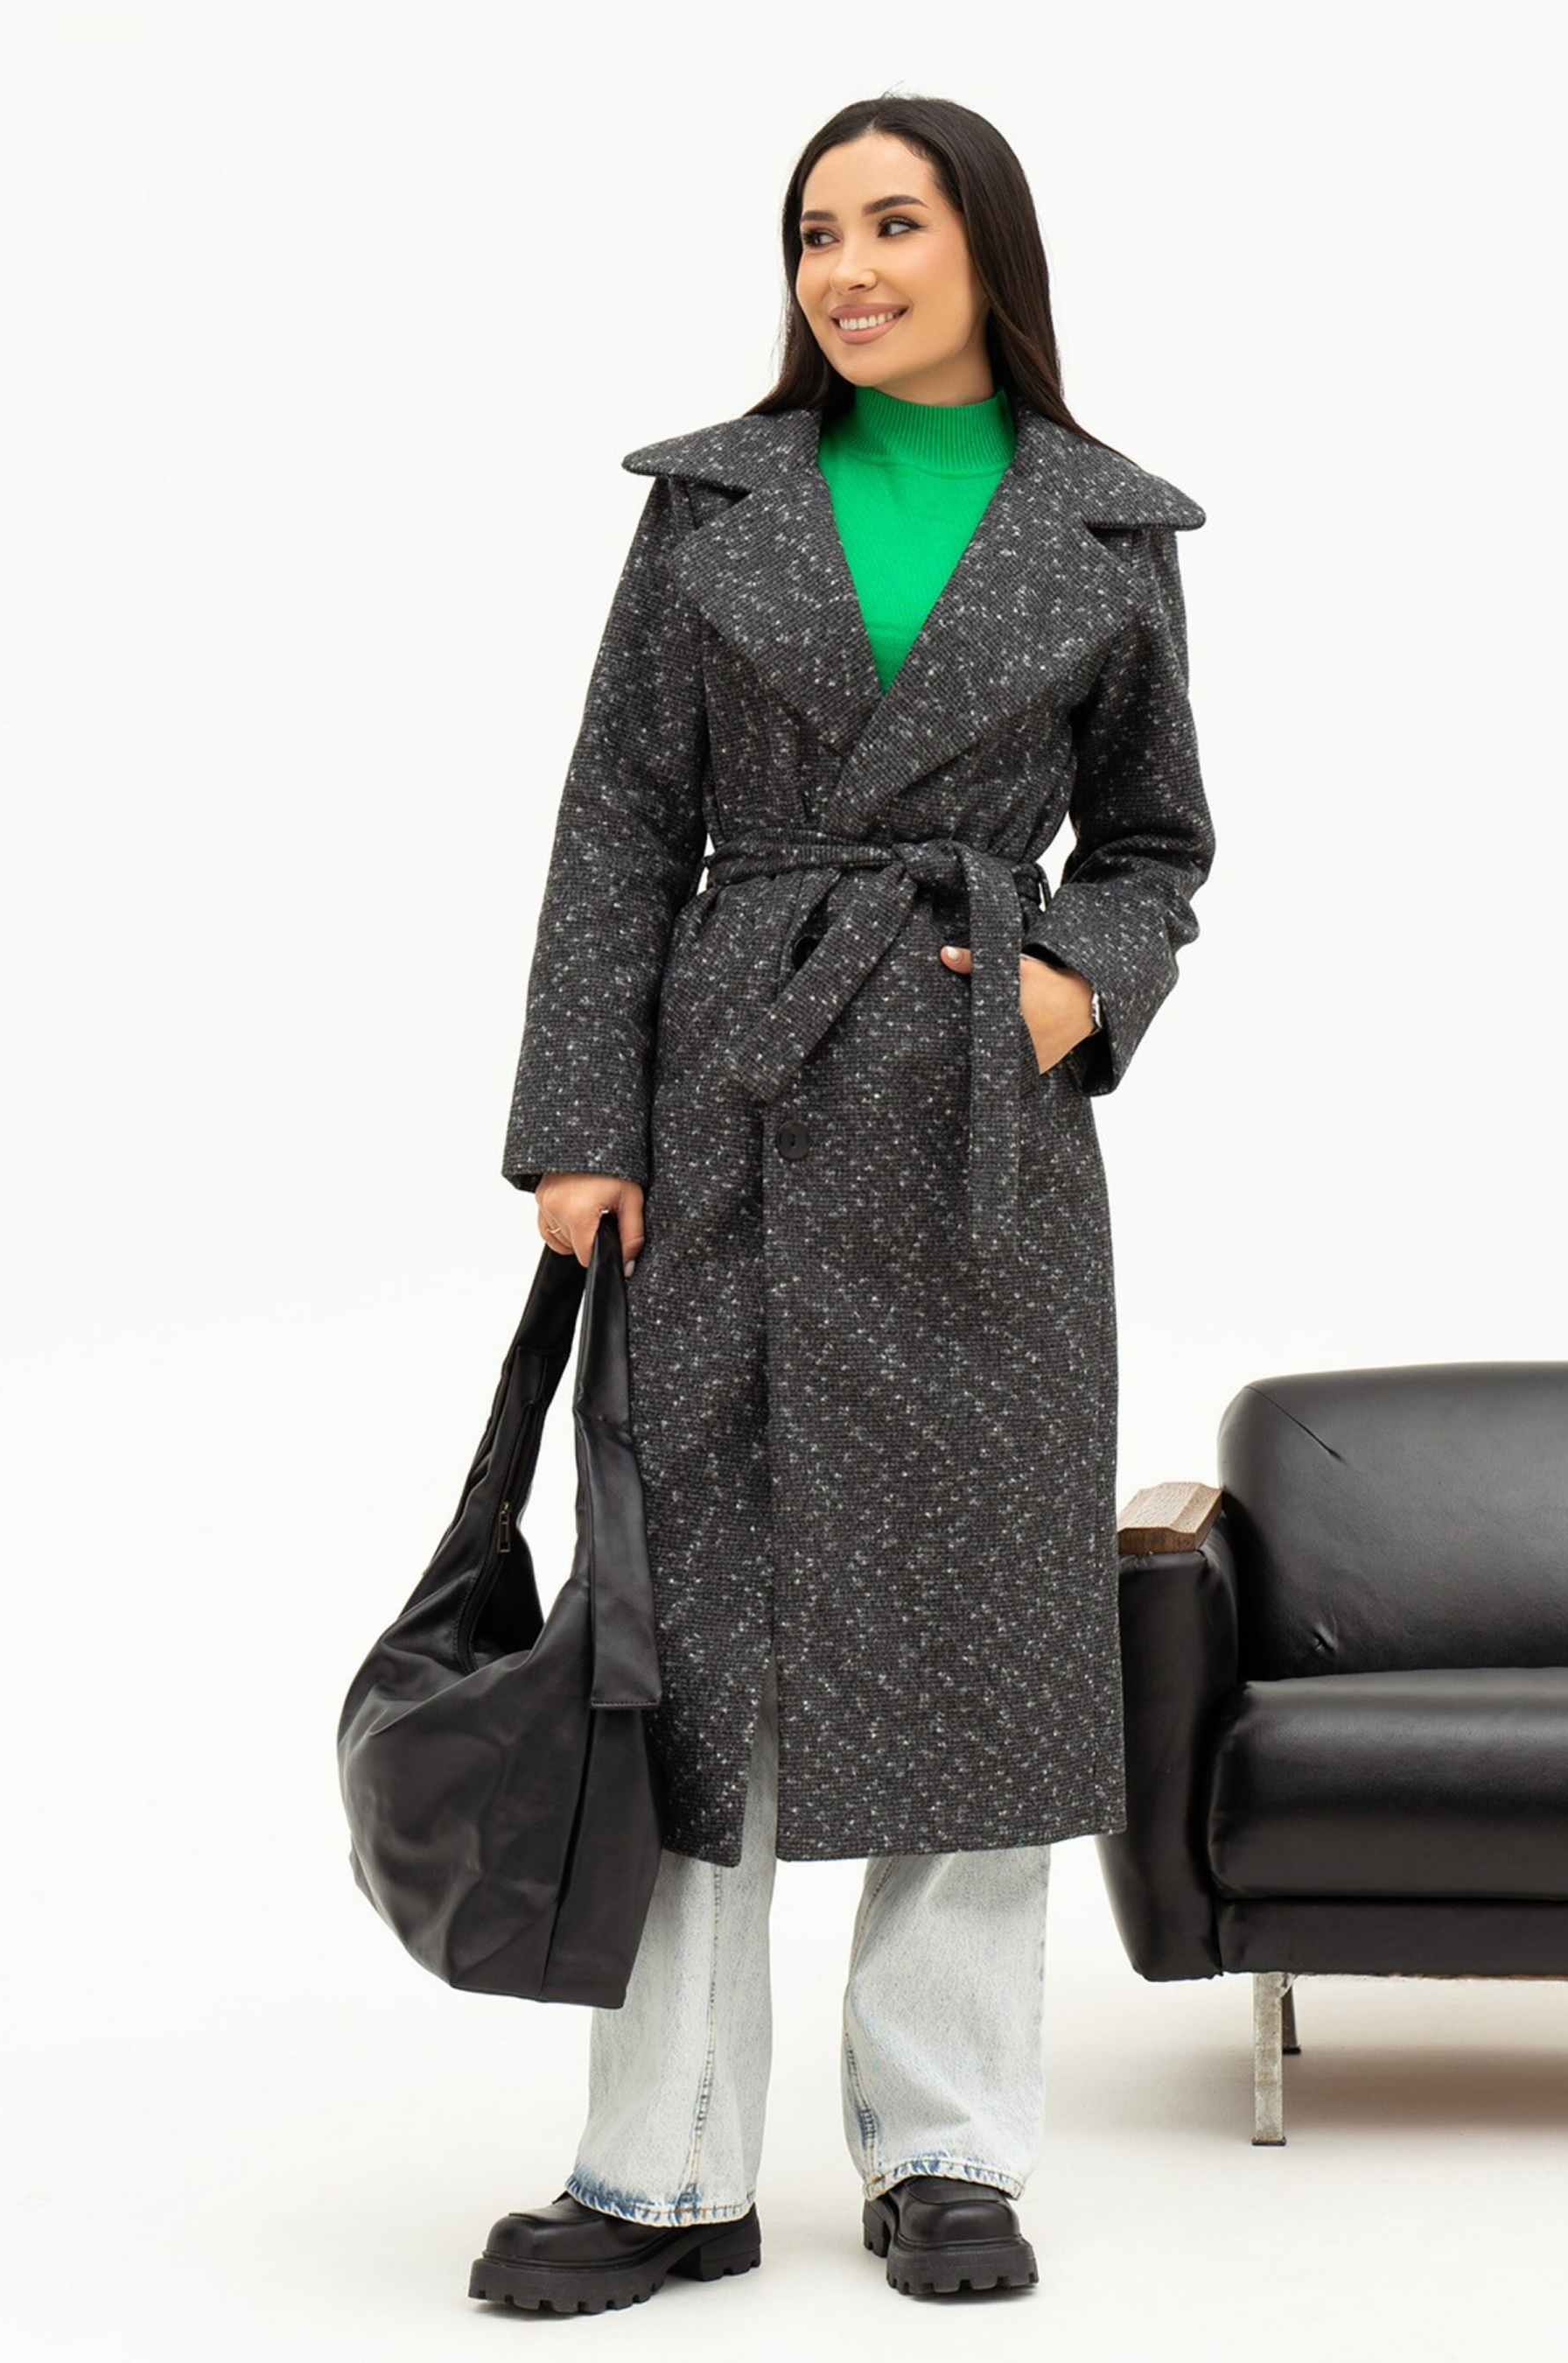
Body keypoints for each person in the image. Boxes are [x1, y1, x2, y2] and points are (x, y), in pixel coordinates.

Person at [471, 91, 1214, 2315]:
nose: (848, 270)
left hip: (981, 1150)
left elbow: (1155, 841)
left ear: (986, 248)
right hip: (722, 1114)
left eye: (891, 225)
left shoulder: (1103, 525)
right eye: (814, 234)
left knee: (981, 1623)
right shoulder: (711, 502)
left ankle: (948, 2153)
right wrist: (578, 1123)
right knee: (687, 1649)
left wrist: (1073, 985)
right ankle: (662, 2171)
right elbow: (620, 816)